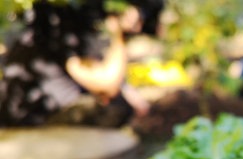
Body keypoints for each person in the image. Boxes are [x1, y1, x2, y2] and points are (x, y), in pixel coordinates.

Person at [0, 0, 164, 127]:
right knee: (118, 109)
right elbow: (106, 84)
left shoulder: (73, 12)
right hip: (37, 118)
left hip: (40, 108)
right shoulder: (63, 18)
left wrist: (126, 89)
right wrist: (118, 34)